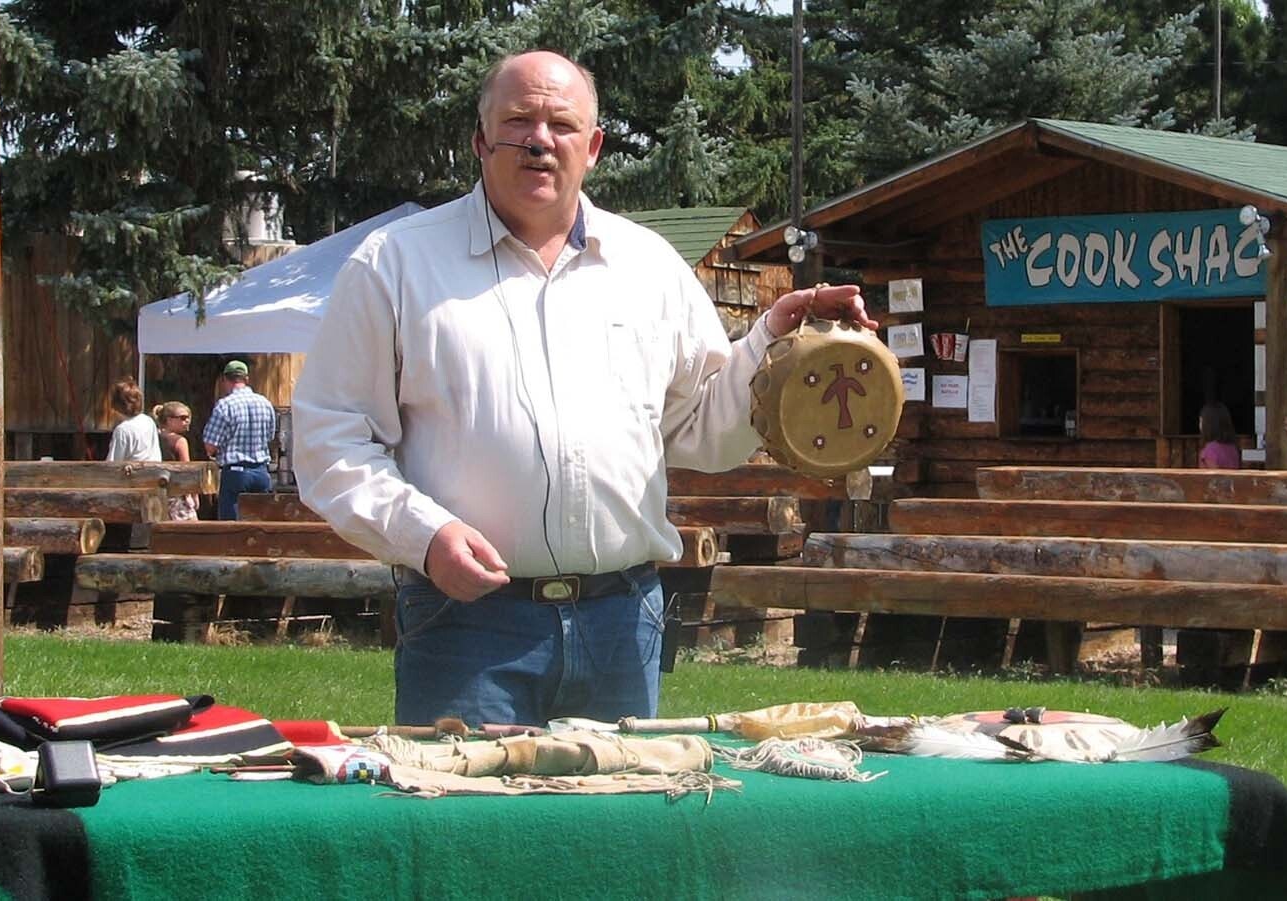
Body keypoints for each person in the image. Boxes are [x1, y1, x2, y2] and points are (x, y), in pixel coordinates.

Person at [292, 49, 872, 728]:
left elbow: (705, 431)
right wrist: (425, 534)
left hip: (624, 620)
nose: (540, 139)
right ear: (481, 140)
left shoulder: (648, 265)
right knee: (470, 832)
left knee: (618, 833)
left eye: (562, 124)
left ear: (593, 147)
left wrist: (772, 335)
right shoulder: (394, 264)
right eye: (518, 120)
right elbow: (331, 440)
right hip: (467, 626)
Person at [203, 360, 276, 519]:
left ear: (225, 380)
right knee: (261, 526)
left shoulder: (225, 405)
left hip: (235, 473)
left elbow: (210, 445)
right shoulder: (265, 403)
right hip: (261, 472)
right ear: (247, 379)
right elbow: (270, 436)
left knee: (231, 529)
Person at [154, 401, 200, 521]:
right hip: (178, 496)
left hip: (158, 494)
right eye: (182, 418)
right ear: (169, 420)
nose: (187, 421)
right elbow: (187, 470)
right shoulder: (180, 441)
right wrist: (194, 495)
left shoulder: (153, 438)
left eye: (188, 418)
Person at [105, 377, 162, 462]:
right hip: (153, 471)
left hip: (133, 473)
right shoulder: (148, 421)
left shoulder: (122, 430)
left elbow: (113, 463)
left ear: (117, 404)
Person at [1196, 401, 1240, 469]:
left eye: (1201, 421)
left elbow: (1213, 477)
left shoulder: (1209, 450)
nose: (1199, 425)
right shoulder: (1233, 448)